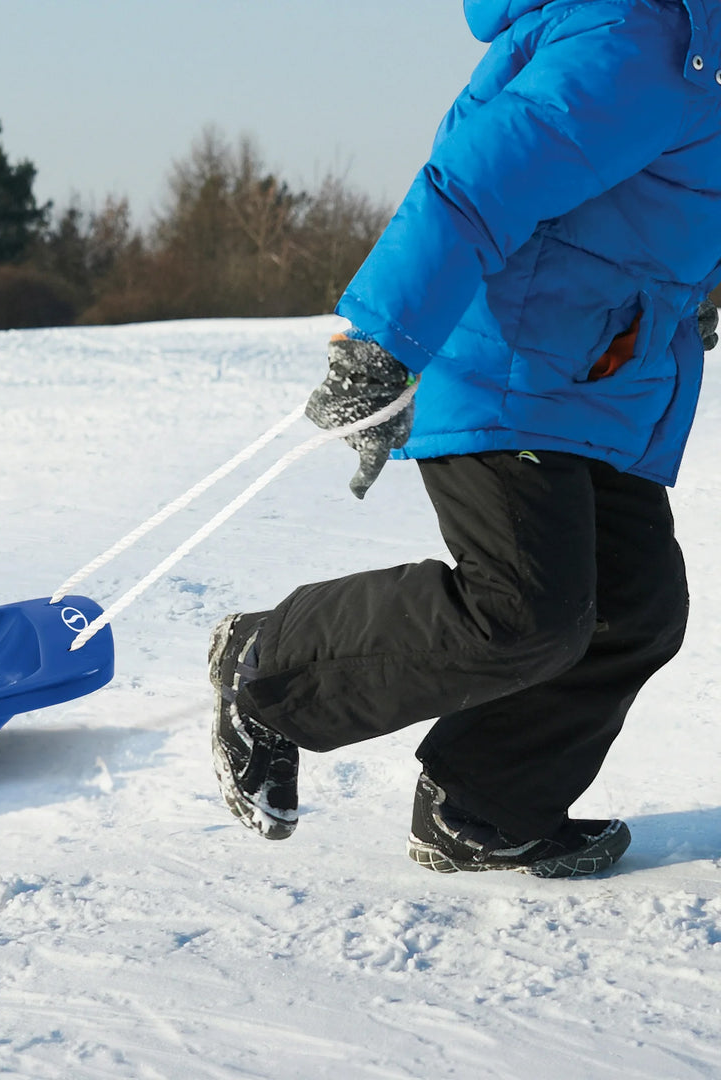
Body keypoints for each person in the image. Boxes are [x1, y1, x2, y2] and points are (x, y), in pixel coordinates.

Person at [209, 0, 721, 878]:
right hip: (501, 360)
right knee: (521, 608)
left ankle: (483, 805)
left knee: (635, 611)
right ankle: (267, 664)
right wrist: (381, 344)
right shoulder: (637, 40)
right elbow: (473, 187)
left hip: (599, 376)